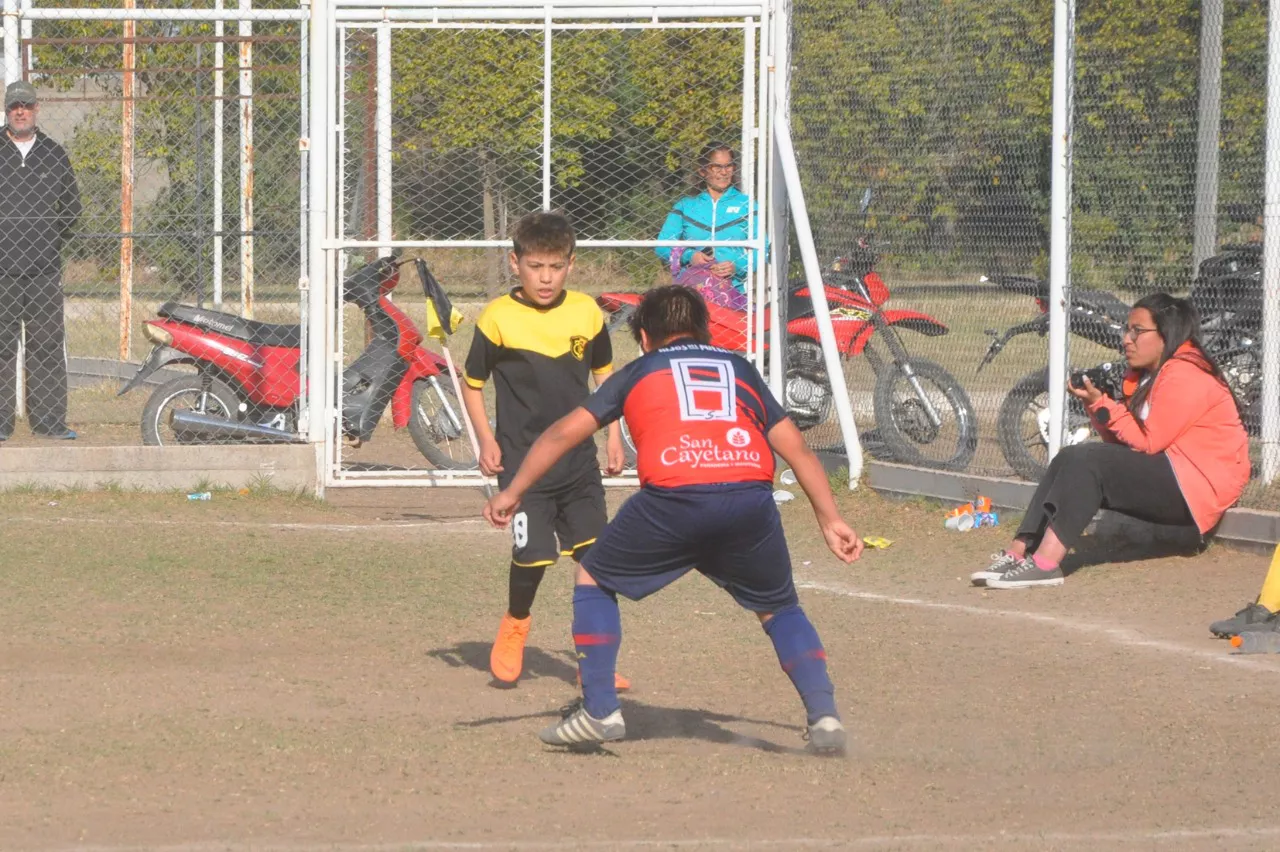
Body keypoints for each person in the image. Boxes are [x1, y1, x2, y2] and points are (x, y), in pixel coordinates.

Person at [482, 285, 864, 755]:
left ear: (644, 338)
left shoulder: (638, 371)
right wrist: (830, 519)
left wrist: (513, 491)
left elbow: (562, 433)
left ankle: (599, 710)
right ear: (705, 332)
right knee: (780, 608)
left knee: (593, 577)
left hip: (674, 500)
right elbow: (798, 450)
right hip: (749, 500)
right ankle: (824, 716)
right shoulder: (740, 368)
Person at [972, 293, 1249, 590]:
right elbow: (1120, 448)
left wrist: (1104, 405)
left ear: (1166, 334)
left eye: (1137, 331)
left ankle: (1046, 564)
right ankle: (1019, 551)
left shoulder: (1185, 372)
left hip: (1199, 491)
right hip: (1176, 475)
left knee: (1087, 461)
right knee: (1069, 457)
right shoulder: (1152, 374)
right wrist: (1095, 405)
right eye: (1127, 330)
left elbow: (1148, 443)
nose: (1126, 339)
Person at [461, 211, 628, 687]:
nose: (546, 278)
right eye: (536, 267)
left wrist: (614, 436)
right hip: (522, 465)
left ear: (571, 265)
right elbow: (472, 384)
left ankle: (595, 662)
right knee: (533, 555)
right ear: (515, 264)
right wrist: (487, 439)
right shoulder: (497, 317)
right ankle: (516, 624)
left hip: (578, 463)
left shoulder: (586, 312)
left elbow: (605, 378)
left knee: (596, 559)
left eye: (555, 267)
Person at [0, 81, 82, 442]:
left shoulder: (54, 153)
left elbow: (71, 210)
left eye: (27, 105)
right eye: (14, 105)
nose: (21, 111)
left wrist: (47, 241)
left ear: (37, 109)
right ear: (7, 110)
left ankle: (48, 422)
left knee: (46, 346)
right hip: (1, 271)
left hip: (43, 272)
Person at [655, 142, 758, 298]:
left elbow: (762, 249)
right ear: (703, 170)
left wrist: (736, 266)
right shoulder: (685, 206)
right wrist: (689, 256)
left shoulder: (747, 205)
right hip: (691, 295)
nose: (724, 172)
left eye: (728, 166)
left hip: (734, 294)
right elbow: (662, 246)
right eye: (717, 167)